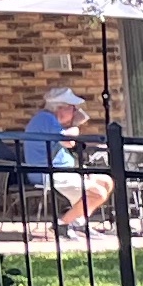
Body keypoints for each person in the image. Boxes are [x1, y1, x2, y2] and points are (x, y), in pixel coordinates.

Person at [22, 85, 105, 227]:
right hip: (48, 173)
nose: (75, 111)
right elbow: (68, 142)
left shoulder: (48, 120)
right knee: (98, 193)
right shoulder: (46, 119)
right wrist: (75, 127)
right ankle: (62, 225)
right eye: (73, 108)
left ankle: (78, 223)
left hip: (61, 171)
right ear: (62, 108)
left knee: (105, 181)